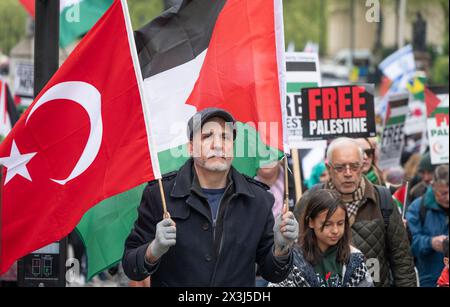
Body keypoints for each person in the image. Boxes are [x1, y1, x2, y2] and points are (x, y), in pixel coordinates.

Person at [122, 108, 298, 287]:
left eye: (225, 137)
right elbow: (130, 265)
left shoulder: (258, 199)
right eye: (207, 136)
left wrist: (281, 248)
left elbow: (273, 273)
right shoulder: (159, 194)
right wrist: (154, 250)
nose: (218, 144)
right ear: (190, 147)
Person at [295, 138, 417, 287]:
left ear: (363, 166)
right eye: (340, 167)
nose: (348, 173)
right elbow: (295, 254)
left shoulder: (383, 200)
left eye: (354, 166)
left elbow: (402, 260)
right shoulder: (310, 200)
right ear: (328, 168)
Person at [269, 189, 373, 287]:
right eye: (327, 224)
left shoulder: (355, 259)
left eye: (340, 223)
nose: (335, 230)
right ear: (310, 222)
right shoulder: (294, 260)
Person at [406, 165, 449, 287]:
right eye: (443, 193)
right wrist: (430, 242)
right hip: (430, 278)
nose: (448, 198)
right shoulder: (418, 208)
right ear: (433, 186)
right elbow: (407, 244)